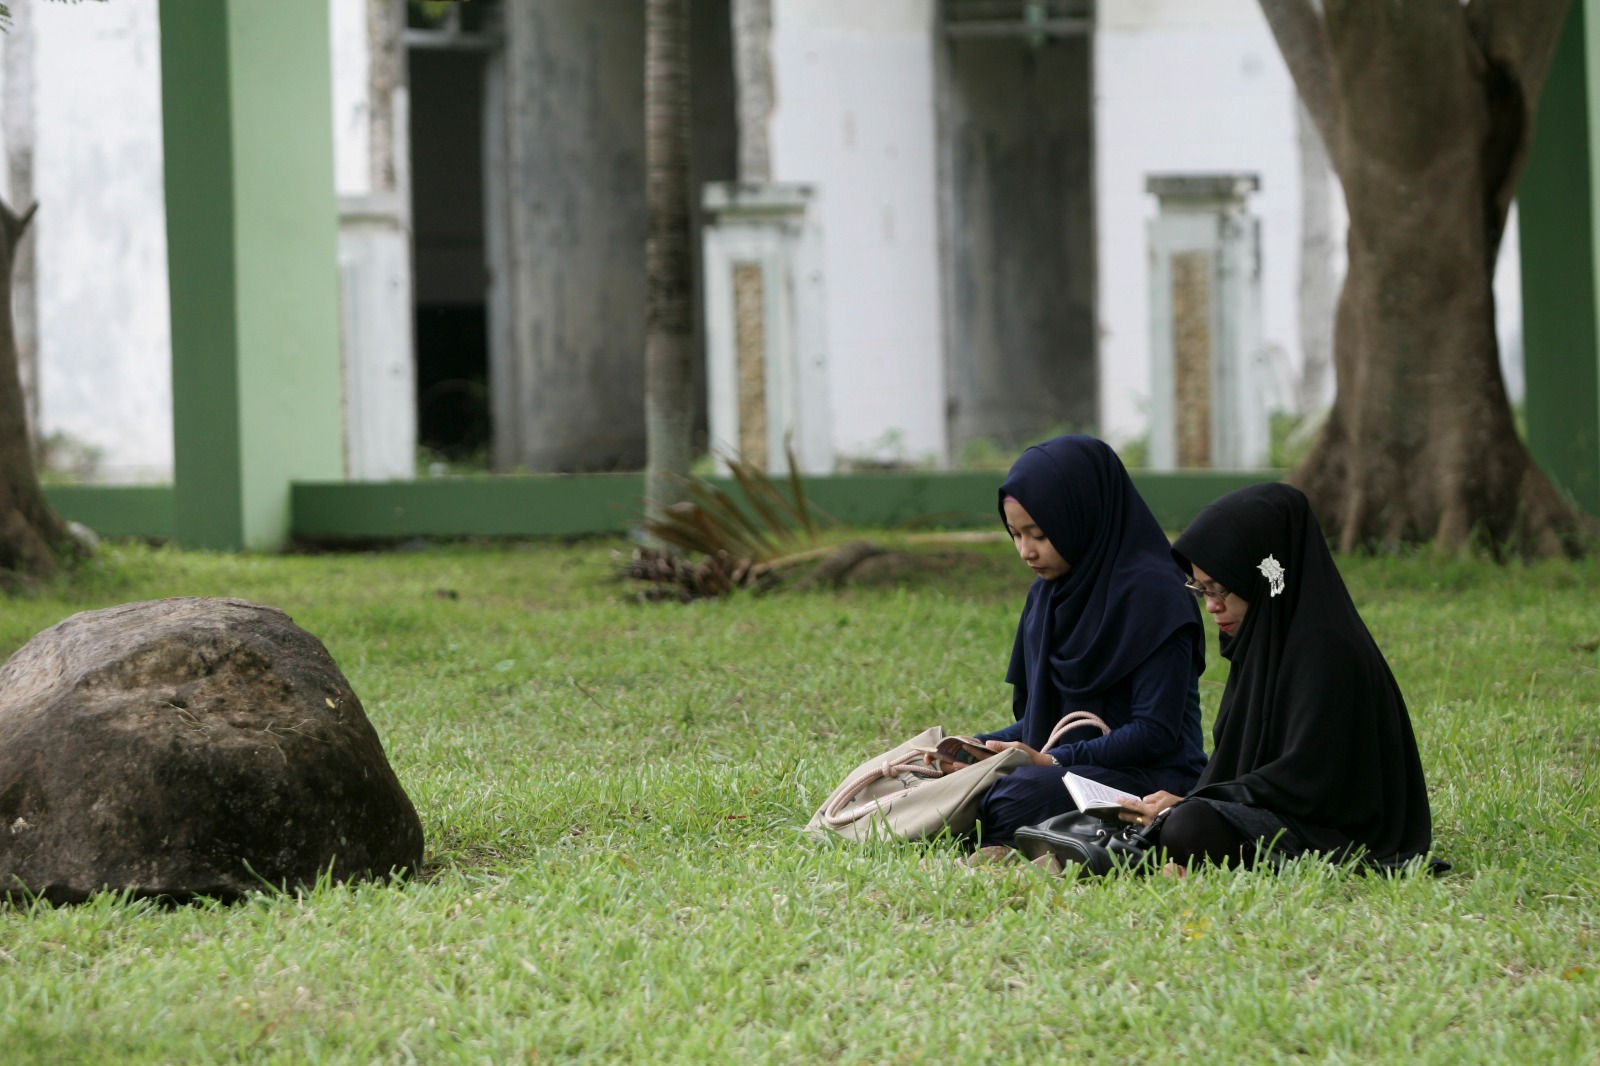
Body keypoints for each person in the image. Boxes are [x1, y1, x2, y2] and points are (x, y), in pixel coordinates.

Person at [1115, 482, 1435, 873]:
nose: (1212, 606)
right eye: (1201, 590)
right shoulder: (1261, 641)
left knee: (1189, 826)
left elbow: (1311, 781)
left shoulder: (1327, 649)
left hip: (1330, 829)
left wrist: (1194, 805)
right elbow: (1237, 766)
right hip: (1275, 812)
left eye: (1221, 589)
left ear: (1266, 577)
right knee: (1155, 817)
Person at [956, 435, 1208, 849]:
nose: (1025, 551)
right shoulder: (1048, 596)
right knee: (931, 773)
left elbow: (1154, 732)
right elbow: (1049, 721)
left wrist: (1052, 761)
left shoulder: (1156, 596)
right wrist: (978, 747)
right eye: (1015, 534)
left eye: (1038, 534)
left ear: (1082, 516)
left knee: (1011, 797)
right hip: (1067, 768)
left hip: (1148, 777)